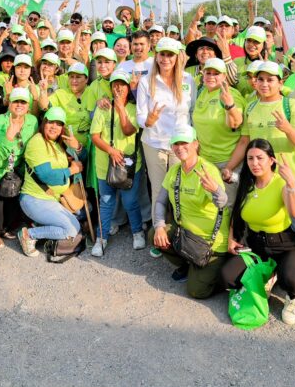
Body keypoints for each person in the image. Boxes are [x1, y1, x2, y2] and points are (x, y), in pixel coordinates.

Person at [221, 139, 295, 326]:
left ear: (271, 160)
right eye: (250, 158)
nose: (255, 163)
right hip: (258, 246)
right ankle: (269, 274)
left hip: (288, 245)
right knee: (228, 276)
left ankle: (294, 298)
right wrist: (231, 238)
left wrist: (292, 184)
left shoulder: (280, 183)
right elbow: (236, 213)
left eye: (260, 158)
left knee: (291, 278)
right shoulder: (247, 183)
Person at [151, 127, 230, 298]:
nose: (180, 147)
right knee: (155, 234)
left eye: (184, 143)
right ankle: (189, 264)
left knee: (196, 291)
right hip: (186, 235)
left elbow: (222, 202)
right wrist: (159, 226)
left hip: (210, 242)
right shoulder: (174, 171)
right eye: (176, 144)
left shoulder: (207, 171)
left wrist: (216, 190)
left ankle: (219, 270)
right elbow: (160, 202)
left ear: (195, 144)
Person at [135, 37, 194, 235]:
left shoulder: (188, 79)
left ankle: (182, 232)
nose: (166, 59)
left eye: (170, 55)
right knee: (159, 191)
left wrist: (194, 142)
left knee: (181, 189)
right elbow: (140, 116)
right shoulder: (146, 81)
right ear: (156, 56)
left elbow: (192, 112)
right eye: (162, 54)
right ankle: (159, 232)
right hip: (154, 143)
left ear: (177, 57)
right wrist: (148, 121)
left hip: (182, 144)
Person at [17, 107, 84, 257]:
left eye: (59, 124)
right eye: (51, 122)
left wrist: (77, 146)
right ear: (44, 122)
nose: (54, 127)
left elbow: (83, 159)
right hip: (35, 199)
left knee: (83, 216)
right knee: (71, 230)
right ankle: (29, 234)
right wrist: (71, 170)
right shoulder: (38, 142)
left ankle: (41, 224)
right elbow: (46, 176)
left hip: (52, 199)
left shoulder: (57, 144)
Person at [90, 71, 143, 256]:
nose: (118, 87)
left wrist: (120, 108)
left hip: (129, 166)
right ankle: (101, 238)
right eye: (114, 84)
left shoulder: (136, 109)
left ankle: (137, 232)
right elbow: (94, 136)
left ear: (129, 88)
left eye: (122, 84)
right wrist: (110, 150)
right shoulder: (102, 107)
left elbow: (129, 130)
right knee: (106, 202)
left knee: (130, 201)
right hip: (105, 165)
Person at [0, 87, 38, 248]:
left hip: (15, 170)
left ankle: (6, 228)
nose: (19, 105)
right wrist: (9, 136)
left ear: (28, 106)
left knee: (12, 204)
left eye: (23, 102)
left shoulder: (32, 121)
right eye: (15, 101)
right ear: (9, 103)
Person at [236, 61, 295, 187]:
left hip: (288, 178)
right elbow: (244, 141)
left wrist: (288, 129)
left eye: (270, 80)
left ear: (280, 84)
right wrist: (229, 167)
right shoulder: (250, 107)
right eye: (260, 79)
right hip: (259, 178)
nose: (264, 84)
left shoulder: (293, 105)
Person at [192, 57, 246, 193]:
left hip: (227, 162)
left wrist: (230, 105)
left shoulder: (231, 94)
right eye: (208, 73)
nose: (211, 76)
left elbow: (235, 123)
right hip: (205, 161)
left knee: (227, 206)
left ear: (224, 76)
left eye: (216, 73)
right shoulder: (202, 93)